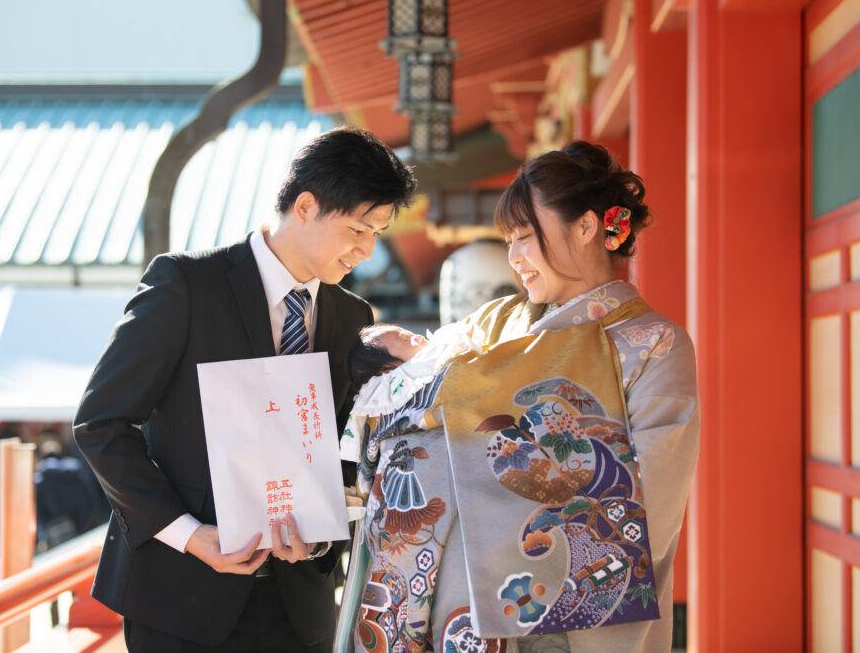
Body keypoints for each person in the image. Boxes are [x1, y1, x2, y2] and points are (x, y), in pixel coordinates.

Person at [342, 140, 700, 652]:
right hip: (436, 604)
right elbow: (400, 399)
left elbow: (649, 502)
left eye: (526, 237)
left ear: (586, 227)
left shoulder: (653, 345)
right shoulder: (496, 321)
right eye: (508, 240)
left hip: (551, 614)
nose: (514, 258)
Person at [73, 126, 416, 652]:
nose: (366, 251)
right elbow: (100, 424)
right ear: (306, 206)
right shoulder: (185, 284)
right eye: (358, 229)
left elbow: (344, 450)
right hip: (182, 597)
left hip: (299, 607)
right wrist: (189, 534)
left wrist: (323, 532)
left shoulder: (353, 316)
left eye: (377, 234)